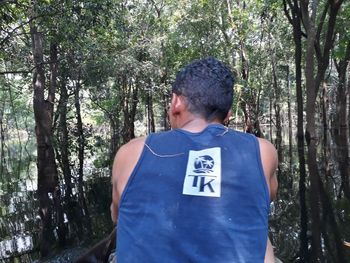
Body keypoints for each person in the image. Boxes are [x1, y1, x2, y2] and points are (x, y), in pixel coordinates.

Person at [110, 57, 278, 263]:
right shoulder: (263, 151)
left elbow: (117, 215)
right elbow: (264, 199)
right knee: (264, 238)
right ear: (228, 115)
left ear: (176, 102)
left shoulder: (130, 153)